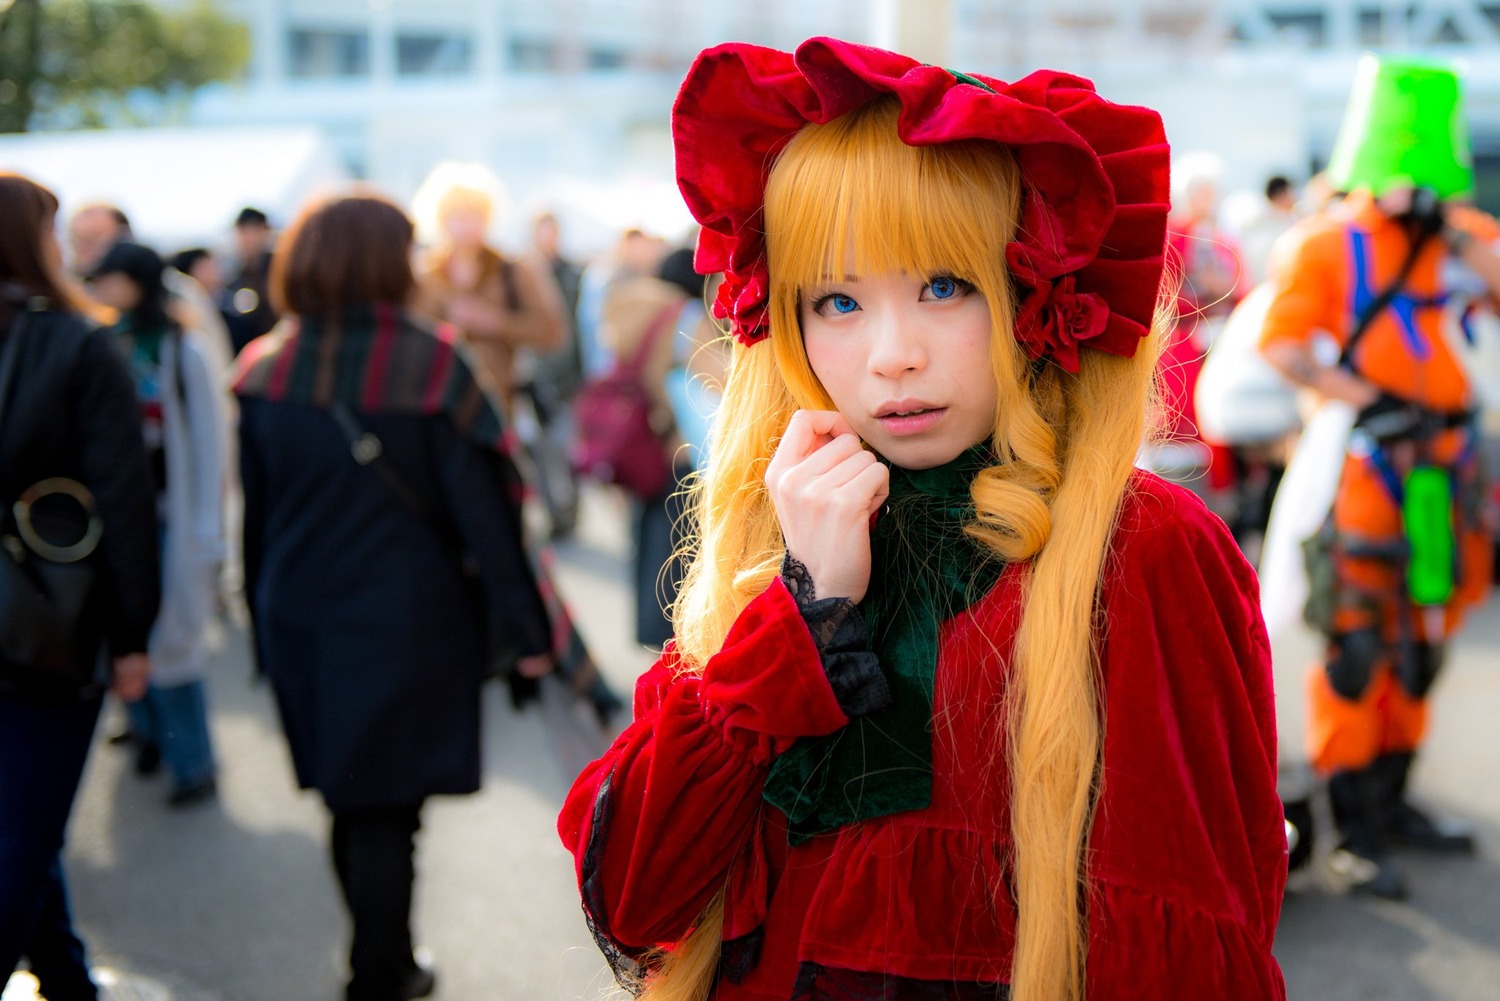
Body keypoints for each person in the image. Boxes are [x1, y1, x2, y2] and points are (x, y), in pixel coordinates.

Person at [558, 37, 1286, 1001]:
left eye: (944, 286)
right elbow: (638, 894)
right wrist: (803, 611)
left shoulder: (1142, 547)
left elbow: (1191, 938)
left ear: (1032, 293)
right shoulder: (781, 527)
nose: (891, 355)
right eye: (839, 300)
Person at [232, 192, 559, 1001]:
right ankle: (380, 971)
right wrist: (530, 635)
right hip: (409, 620)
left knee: (351, 799)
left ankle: (376, 962)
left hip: (300, 614)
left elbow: (258, 518)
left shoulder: (266, 368)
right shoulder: (434, 364)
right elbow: (489, 521)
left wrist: (259, 636)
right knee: (388, 812)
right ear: (388, 263)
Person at [1258, 55, 1500, 899]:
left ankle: (1397, 804)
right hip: (1368, 469)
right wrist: (1365, 396)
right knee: (1357, 642)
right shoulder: (1328, 241)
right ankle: (1351, 827)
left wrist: (1452, 226)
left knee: (1423, 636)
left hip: (1445, 475)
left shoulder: (1462, 238)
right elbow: (1280, 345)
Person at [0, 172, 159, 1000]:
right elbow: (127, 500)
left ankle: (66, 977)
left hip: (37, 621)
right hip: (46, 627)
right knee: (23, 826)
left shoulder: (73, 340)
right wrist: (134, 636)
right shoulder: (78, 341)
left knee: (27, 824)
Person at [87, 241, 227, 807]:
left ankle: (191, 760)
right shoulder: (104, 341)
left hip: (171, 511)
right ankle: (147, 734)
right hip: (125, 514)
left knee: (172, 646)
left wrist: (207, 528)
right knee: (127, 631)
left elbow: (207, 442)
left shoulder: (179, 347)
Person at [411, 163, 566, 414]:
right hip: (437, 401)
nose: (464, 223)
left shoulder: (513, 268)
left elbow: (553, 332)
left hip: (500, 402)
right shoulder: (424, 274)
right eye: (455, 213)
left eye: (472, 213)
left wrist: (495, 322)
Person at [224, 207, 279, 352]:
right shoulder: (235, 276)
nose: (246, 238)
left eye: (252, 231)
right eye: (242, 231)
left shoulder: (280, 269)